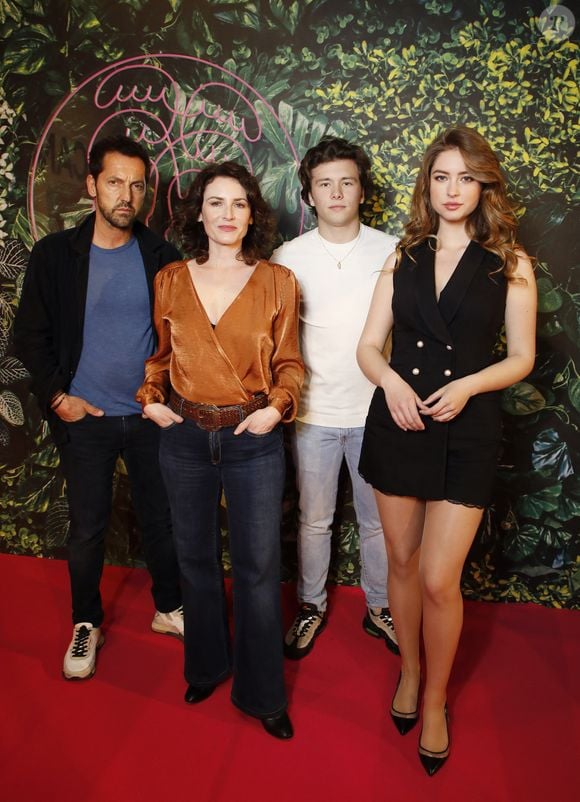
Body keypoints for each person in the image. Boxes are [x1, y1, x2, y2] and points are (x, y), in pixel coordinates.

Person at [357, 126, 536, 775]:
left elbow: (522, 357)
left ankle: (435, 700)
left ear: (483, 184)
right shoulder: (400, 257)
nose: (452, 189)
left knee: (438, 578)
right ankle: (409, 672)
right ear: (426, 186)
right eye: (441, 176)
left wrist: (468, 385)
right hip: (398, 421)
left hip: (468, 428)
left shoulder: (510, 264)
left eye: (465, 177)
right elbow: (368, 346)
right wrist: (391, 381)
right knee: (402, 563)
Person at [136, 161, 303, 740]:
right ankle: (206, 665)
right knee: (195, 561)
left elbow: (289, 366)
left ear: (251, 213)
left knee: (259, 570)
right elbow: (159, 357)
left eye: (238, 203)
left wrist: (274, 409)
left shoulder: (277, 282)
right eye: (216, 202)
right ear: (198, 212)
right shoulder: (171, 280)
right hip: (182, 438)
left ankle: (263, 694)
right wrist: (151, 397)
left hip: (251, 438)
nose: (227, 214)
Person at [13, 135, 183, 681]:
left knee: (161, 519)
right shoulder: (56, 255)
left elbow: (180, 339)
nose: (126, 195)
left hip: (147, 416)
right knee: (87, 526)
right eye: (115, 182)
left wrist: (163, 398)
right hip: (85, 419)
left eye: (136, 184)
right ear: (92, 186)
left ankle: (170, 608)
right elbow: (29, 336)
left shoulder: (162, 256)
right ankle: (86, 622)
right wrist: (59, 399)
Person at [272, 137, 399, 659]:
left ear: (362, 189)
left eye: (347, 181)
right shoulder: (287, 257)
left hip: (378, 413)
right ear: (309, 195)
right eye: (325, 184)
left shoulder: (393, 249)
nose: (337, 192)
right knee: (314, 519)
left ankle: (381, 607)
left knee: (378, 522)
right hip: (314, 416)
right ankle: (310, 605)